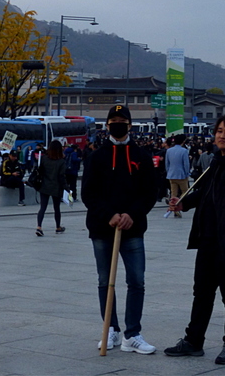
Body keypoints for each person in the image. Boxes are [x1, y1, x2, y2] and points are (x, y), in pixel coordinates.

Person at [164, 114, 225, 365]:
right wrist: (182, 203)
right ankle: (194, 340)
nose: (221, 135)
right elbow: (203, 193)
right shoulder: (214, 162)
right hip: (208, 237)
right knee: (202, 292)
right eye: (218, 130)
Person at [82, 105, 158, 354]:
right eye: (113, 120)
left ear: (129, 125)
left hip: (133, 229)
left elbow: (150, 193)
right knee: (106, 280)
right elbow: (88, 194)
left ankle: (132, 333)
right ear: (107, 125)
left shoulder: (142, 156)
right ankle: (110, 329)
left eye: (122, 120)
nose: (117, 124)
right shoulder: (96, 156)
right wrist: (110, 215)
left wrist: (131, 215)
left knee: (136, 281)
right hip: (102, 229)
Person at [36, 140, 67, 236]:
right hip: (56, 187)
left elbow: (39, 171)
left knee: (43, 207)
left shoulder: (44, 159)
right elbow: (62, 176)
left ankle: (39, 227)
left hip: (44, 185)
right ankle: (58, 227)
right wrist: (66, 188)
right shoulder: (61, 161)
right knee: (56, 208)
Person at [166, 134, 191, 217]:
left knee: (173, 193)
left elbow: (167, 164)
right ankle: (178, 203)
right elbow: (186, 164)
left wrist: (168, 171)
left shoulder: (169, 151)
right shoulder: (184, 151)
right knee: (185, 191)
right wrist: (187, 173)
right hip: (181, 175)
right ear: (183, 142)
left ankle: (173, 207)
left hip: (171, 174)